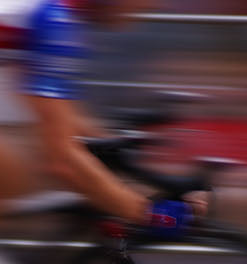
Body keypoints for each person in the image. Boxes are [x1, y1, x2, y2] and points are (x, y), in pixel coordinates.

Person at [0, 0, 176, 223]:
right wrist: (152, 217)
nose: (153, 5)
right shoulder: (54, 19)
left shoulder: (45, 14)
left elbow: (60, 115)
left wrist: (111, 149)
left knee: (19, 176)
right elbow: (64, 162)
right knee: (14, 177)